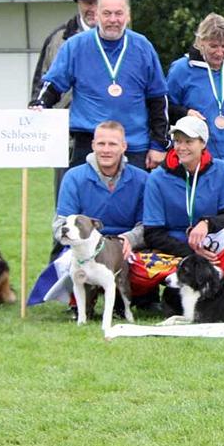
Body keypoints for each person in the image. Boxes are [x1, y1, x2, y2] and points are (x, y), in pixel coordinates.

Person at [32, 0, 169, 170]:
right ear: (96, 16)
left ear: (128, 16)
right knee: (83, 189)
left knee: (134, 190)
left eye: (118, 13)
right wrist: (40, 103)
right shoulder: (76, 46)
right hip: (89, 143)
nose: (113, 19)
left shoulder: (142, 47)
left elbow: (158, 98)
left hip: (133, 145)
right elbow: (53, 85)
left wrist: (159, 144)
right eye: (107, 13)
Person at [27, 120, 148, 309]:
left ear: (124, 146)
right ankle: (80, 303)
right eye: (101, 143)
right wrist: (86, 244)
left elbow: (148, 224)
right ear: (93, 145)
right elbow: (60, 225)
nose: (106, 150)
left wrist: (129, 239)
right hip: (83, 247)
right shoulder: (73, 177)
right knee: (69, 264)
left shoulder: (142, 179)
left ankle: (135, 300)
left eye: (112, 144)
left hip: (125, 248)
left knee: (149, 270)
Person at [141, 116, 224, 309]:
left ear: (203, 143)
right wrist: (193, 253)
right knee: (141, 270)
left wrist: (206, 223)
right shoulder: (157, 178)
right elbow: (152, 233)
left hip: (208, 242)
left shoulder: (221, 169)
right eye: (177, 141)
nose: (181, 147)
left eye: (188, 141)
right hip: (173, 248)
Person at [167, 13, 224, 203]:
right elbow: (165, 107)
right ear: (200, 42)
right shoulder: (182, 69)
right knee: (194, 211)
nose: (219, 52)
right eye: (213, 46)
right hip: (193, 156)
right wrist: (185, 113)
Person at [29, 0, 107, 200]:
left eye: (97, 2)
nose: (92, 8)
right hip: (67, 139)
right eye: (87, 2)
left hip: (109, 136)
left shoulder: (124, 39)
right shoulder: (58, 39)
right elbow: (41, 84)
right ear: (78, 3)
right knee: (68, 200)